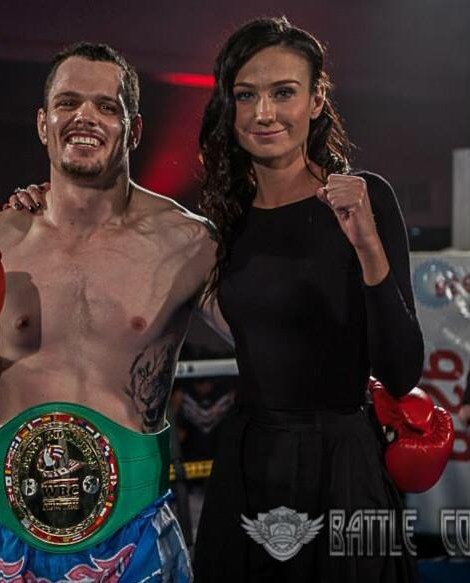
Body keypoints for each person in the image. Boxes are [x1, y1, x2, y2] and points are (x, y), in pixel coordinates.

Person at [0, 42, 216, 582]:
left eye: (106, 106)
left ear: (134, 129)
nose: (84, 116)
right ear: (43, 123)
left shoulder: (187, 241)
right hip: (9, 537)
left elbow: (272, 342)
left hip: (134, 536)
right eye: (68, 102)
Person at [191, 16, 425, 583]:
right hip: (250, 461)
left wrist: (366, 243)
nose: (264, 113)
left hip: (344, 463)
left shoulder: (364, 198)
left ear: (317, 100)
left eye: (283, 92)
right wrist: (41, 201)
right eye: (246, 95)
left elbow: (401, 370)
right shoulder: (224, 218)